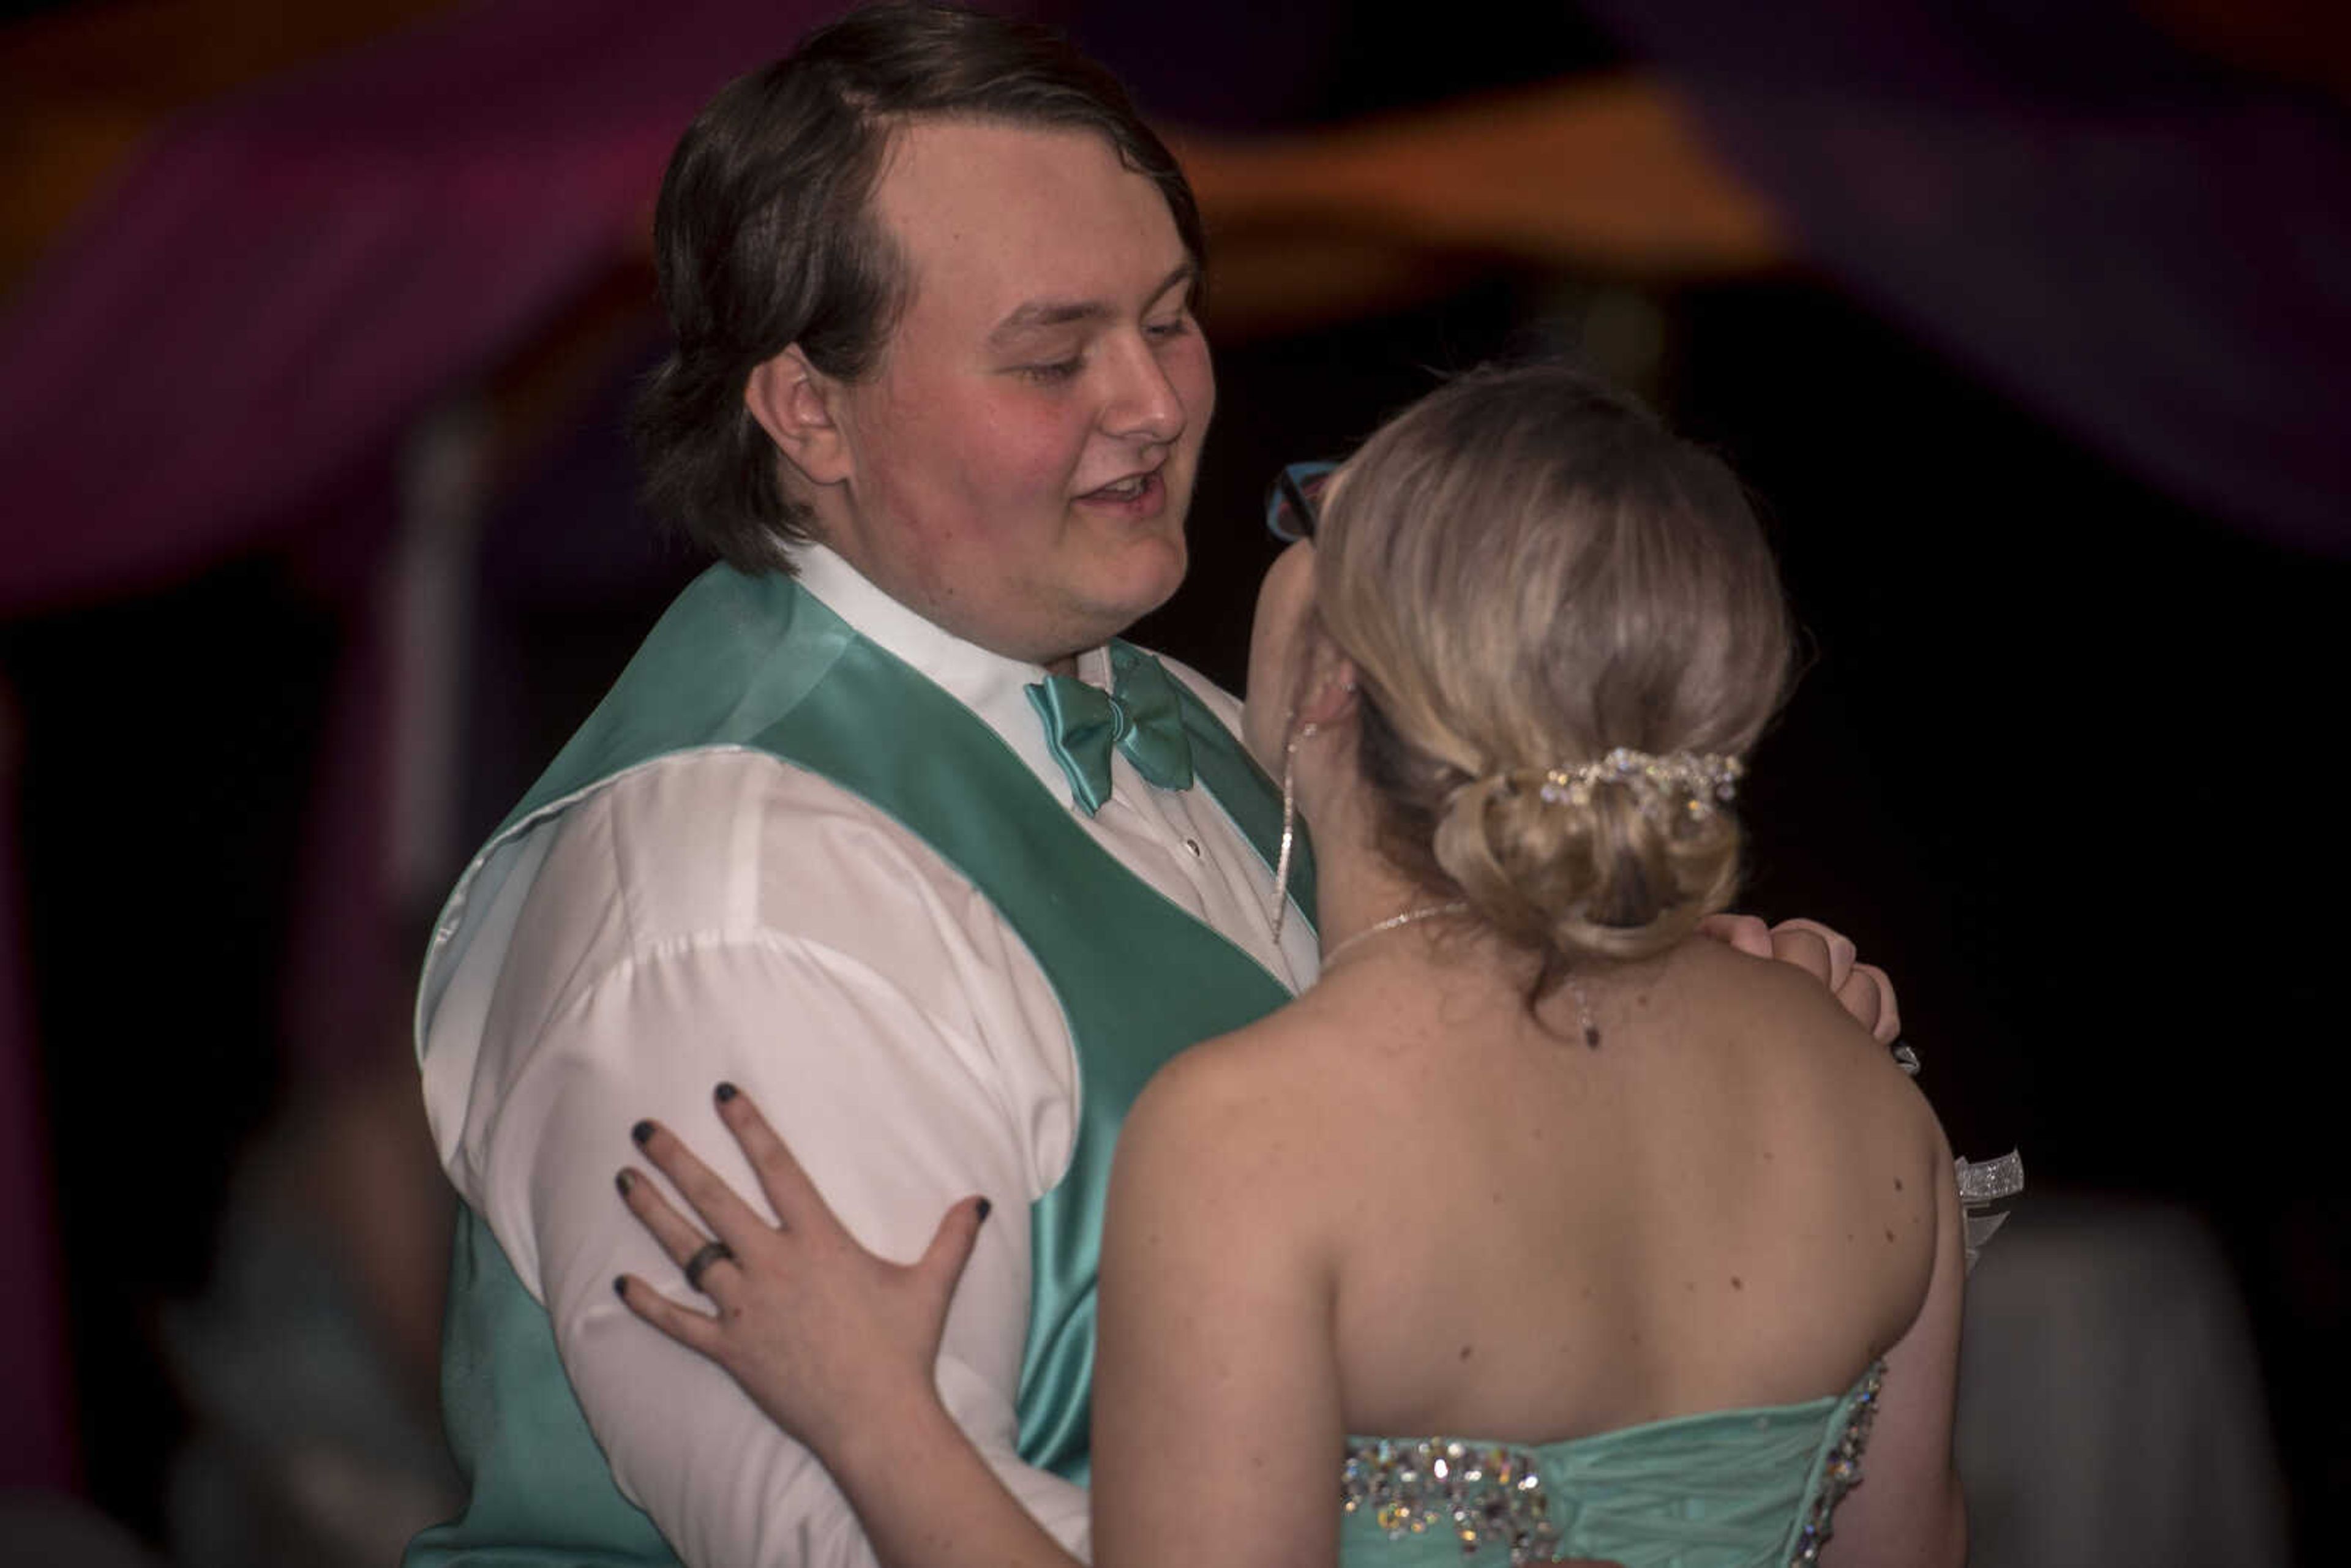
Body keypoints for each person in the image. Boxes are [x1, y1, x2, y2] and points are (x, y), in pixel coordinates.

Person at [408, 9, 1898, 1567]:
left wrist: (1675, 1027)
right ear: (809, 412)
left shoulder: (1202, 710)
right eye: (1054, 356)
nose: (1156, 404)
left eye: (1171, 319)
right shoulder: (732, 903)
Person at [610, 362, 1965, 1567]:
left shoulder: (1255, 1139)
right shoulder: (1866, 1098)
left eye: (1311, 517)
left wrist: (875, 1416)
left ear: (1334, 677)